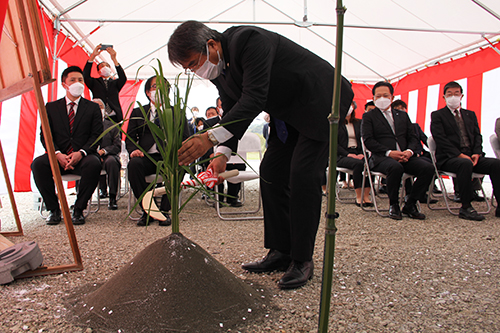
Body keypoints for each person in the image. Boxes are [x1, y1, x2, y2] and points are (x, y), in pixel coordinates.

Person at [168, 21, 354, 289]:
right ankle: (281, 252)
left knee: (302, 174)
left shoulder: (248, 40)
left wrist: (208, 137)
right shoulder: (220, 70)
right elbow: (233, 109)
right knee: (271, 172)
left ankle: (302, 259)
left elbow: (254, 99)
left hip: (320, 101)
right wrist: (220, 153)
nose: (196, 71)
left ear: (211, 45)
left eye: (194, 63)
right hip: (288, 113)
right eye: (189, 69)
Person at [31, 66, 103, 225]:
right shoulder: (51, 107)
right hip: (58, 156)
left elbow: (96, 135)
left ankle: (79, 209)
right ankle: (53, 209)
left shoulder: (92, 108)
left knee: (94, 163)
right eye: (73, 80)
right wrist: (57, 153)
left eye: (80, 80)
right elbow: (45, 135)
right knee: (38, 164)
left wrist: (81, 152)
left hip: (83, 156)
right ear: (64, 84)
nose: (77, 83)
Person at [361, 81, 434, 220]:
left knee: (428, 168)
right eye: (378, 96)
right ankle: (393, 204)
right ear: (374, 98)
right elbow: (368, 140)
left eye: (385, 95)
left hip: (405, 156)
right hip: (382, 158)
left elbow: (413, 137)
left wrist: (409, 151)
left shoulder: (402, 115)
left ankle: (410, 204)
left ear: (392, 97)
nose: (382, 98)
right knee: (395, 167)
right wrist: (389, 152)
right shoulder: (369, 116)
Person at [430, 81, 500, 220]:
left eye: (456, 93)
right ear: (444, 97)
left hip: (471, 156)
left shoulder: (470, 114)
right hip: (449, 158)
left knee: (496, 164)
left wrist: (476, 153)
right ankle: (466, 207)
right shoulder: (438, 115)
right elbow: (440, 139)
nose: (453, 97)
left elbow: (477, 136)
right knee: (464, 164)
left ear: (462, 96)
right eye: (449, 94)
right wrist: (459, 155)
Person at [126, 76, 176, 226]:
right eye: (155, 87)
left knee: (175, 166)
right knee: (134, 165)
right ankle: (148, 211)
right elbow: (130, 137)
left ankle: (165, 211)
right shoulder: (137, 112)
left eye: (163, 87)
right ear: (148, 92)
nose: (159, 90)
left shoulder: (176, 111)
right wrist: (134, 150)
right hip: (146, 156)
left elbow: (185, 136)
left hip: (168, 157)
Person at [337, 102, 372, 207]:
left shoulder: (359, 123)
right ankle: (358, 195)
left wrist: (362, 153)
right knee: (358, 164)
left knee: (369, 163)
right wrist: (348, 154)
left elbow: (364, 139)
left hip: (358, 152)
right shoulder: (336, 124)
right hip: (342, 155)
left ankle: (366, 195)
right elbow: (334, 144)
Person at [83, 44, 127, 123]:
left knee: (115, 134)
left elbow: (123, 78)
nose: (105, 67)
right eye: (102, 66)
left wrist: (114, 59)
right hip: (99, 115)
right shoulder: (94, 82)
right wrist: (93, 56)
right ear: (98, 71)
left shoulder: (115, 83)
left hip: (115, 116)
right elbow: (85, 76)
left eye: (107, 66)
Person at [93, 98, 121, 210]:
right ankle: (81, 198)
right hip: (90, 156)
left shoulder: (112, 126)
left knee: (111, 162)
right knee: (83, 162)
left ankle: (112, 197)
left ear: (104, 109)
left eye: (99, 106)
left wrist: (103, 151)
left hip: (108, 156)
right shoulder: (84, 126)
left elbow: (117, 145)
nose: (96, 108)